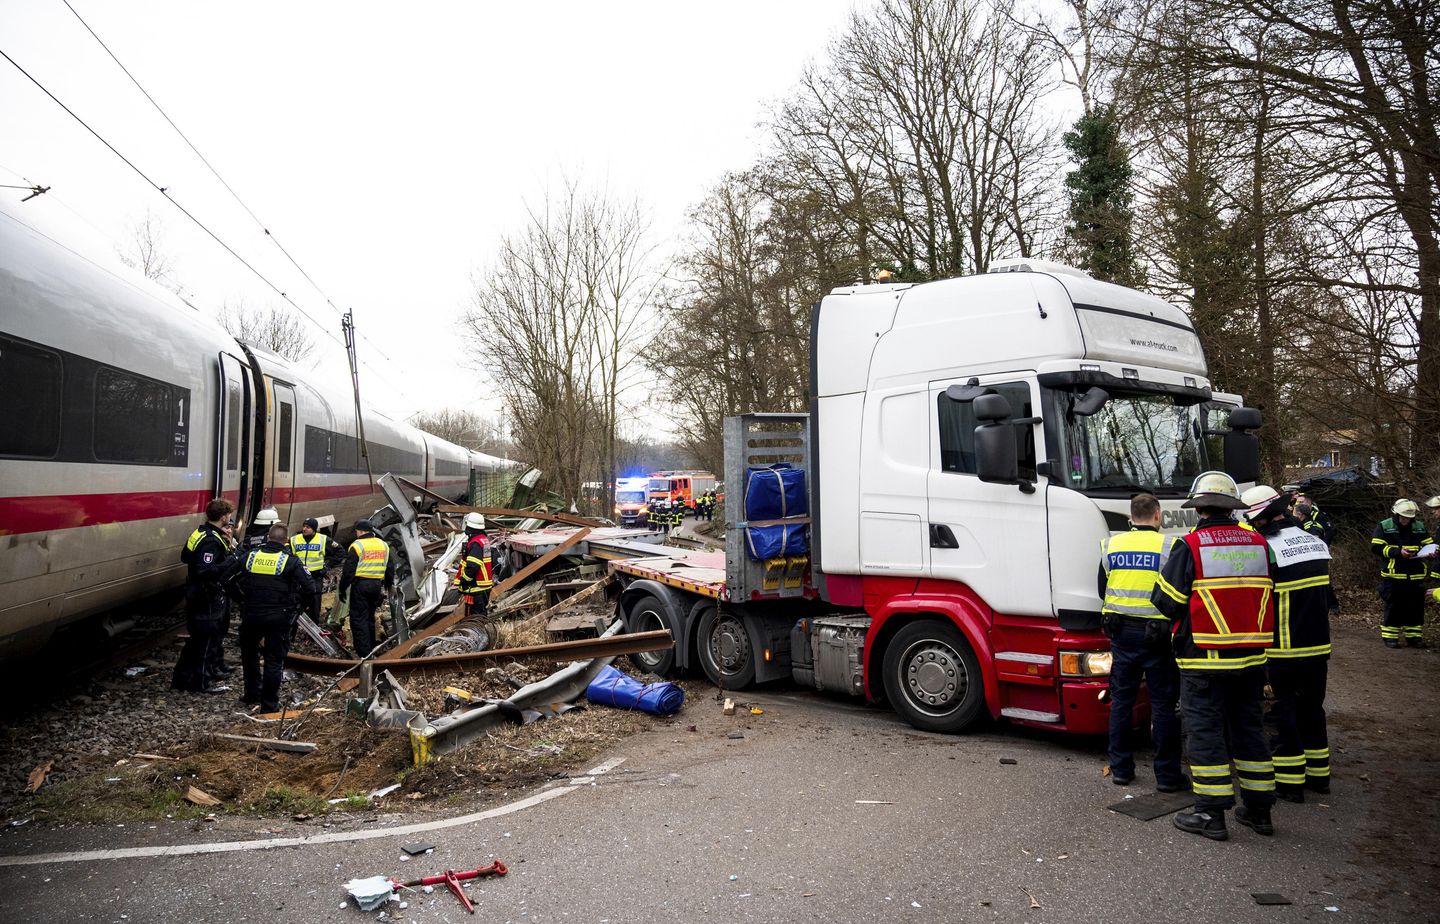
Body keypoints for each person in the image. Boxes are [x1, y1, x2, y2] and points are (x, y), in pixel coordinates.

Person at [1153, 471, 1278, 841]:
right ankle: (1259, 811)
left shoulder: (1190, 546)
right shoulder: (1259, 544)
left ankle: (1210, 814)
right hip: (1252, 658)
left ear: (1200, 508)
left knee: (1206, 733)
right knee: (1249, 732)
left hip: (1204, 660)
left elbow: (1167, 602)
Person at [1243, 485, 1334, 801]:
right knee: (1313, 708)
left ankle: (1290, 783)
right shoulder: (1314, 542)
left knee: (1284, 713)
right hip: (1319, 646)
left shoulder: (1267, 549)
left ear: (1263, 519)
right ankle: (1319, 776)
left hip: (1284, 648)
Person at [1097, 493, 1185, 792]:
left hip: (1121, 633)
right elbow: (1178, 592)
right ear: (1157, 515)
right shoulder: (1170, 546)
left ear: (1131, 517)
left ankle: (1121, 769)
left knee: (1121, 701)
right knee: (1162, 705)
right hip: (1158, 636)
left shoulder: (1111, 545)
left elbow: (1102, 587)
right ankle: (1168, 777)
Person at [222, 523, 313, 712]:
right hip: (278, 616)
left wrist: (241, 599)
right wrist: (297, 607)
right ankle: (269, 705)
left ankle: (251, 694)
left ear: (267, 538)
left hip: (252, 614)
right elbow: (310, 588)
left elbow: (226, 579)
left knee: (249, 655)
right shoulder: (290, 561)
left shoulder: (250, 556)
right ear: (286, 541)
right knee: (274, 659)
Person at [172, 498, 238, 694]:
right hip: (206, 595)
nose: (230, 519)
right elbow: (204, 570)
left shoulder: (199, 533)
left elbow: (185, 556)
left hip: (196, 593)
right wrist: (230, 561)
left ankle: (181, 680)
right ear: (224, 516)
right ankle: (201, 683)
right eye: (229, 515)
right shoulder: (211, 540)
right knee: (206, 640)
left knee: (195, 639)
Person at [1372, 499, 1433, 648]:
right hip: (1394, 575)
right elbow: (1376, 547)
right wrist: (1398, 552)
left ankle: (1414, 637)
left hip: (1416, 575)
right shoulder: (1385, 526)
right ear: (1396, 514)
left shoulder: (1419, 526)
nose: (1406, 520)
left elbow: (1428, 543)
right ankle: (1390, 637)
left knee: (1416, 608)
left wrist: (1431, 552)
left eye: (1409, 518)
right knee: (1394, 607)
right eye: (1403, 517)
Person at [338, 519, 395, 658]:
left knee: (358, 619)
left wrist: (342, 589)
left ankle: (364, 653)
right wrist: (388, 585)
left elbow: (348, 570)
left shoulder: (358, 545)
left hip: (361, 586)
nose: (356, 534)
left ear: (361, 531)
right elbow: (390, 568)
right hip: (376, 586)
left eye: (357, 531)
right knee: (369, 617)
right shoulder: (383, 545)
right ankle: (371, 647)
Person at [288, 518, 341, 627]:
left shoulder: (323, 539)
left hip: (315, 577)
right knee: (294, 605)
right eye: (304, 526)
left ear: (314, 529)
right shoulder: (294, 539)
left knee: (314, 605)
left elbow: (340, 552)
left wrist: (327, 567)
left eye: (308, 527)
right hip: (298, 578)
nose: (304, 529)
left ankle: (313, 632)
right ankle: (291, 631)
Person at [456, 512, 494, 618]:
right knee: (480, 615)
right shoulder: (483, 540)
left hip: (476, 587)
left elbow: (473, 566)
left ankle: (479, 634)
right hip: (483, 586)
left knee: (475, 618)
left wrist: (464, 580)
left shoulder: (475, 544)